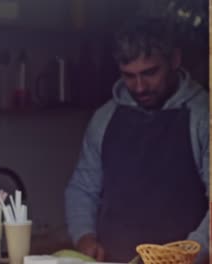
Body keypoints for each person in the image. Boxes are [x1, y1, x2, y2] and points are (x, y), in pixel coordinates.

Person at [65, 17, 209, 263]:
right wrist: (84, 236)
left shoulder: (203, 116)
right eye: (129, 76)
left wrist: (189, 252)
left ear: (174, 60)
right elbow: (82, 189)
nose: (140, 87)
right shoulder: (104, 119)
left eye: (150, 73)